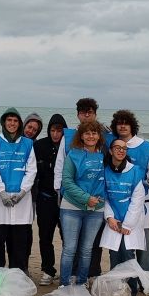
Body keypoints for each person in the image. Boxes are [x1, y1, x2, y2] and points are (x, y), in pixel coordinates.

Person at [55, 98, 106, 277]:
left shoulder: (104, 157)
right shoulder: (73, 154)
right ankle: (64, 284)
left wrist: (99, 201)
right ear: (81, 136)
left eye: (94, 133)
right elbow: (67, 180)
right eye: (87, 134)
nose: (91, 136)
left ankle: (82, 282)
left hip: (96, 210)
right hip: (71, 207)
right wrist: (86, 198)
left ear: (99, 135)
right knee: (69, 249)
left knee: (87, 250)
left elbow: (109, 181)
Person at [0, 108, 37, 272]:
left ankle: (18, 278)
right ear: (4, 122)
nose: (12, 124)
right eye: (9, 120)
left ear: (19, 124)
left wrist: (22, 192)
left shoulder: (27, 144)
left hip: (21, 201)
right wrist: (1, 192)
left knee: (18, 245)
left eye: (15, 121)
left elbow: (31, 170)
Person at [108, 110, 149, 273]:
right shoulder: (112, 145)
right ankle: (122, 277)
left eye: (126, 123)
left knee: (144, 243)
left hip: (141, 203)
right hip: (117, 203)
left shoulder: (145, 146)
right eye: (119, 123)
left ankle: (146, 278)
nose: (122, 126)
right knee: (119, 244)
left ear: (132, 126)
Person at [100, 138, 147, 296]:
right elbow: (103, 197)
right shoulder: (105, 171)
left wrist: (127, 224)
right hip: (113, 221)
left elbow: (138, 198)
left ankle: (131, 291)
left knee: (127, 255)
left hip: (130, 223)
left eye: (124, 148)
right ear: (111, 151)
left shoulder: (135, 171)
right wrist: (110, 217)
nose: (121, 151)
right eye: (117, 148)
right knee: (114, 256)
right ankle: (117, 289)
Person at [33, 113, 66, 285]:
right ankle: (48, 270)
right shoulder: (39, 145)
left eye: (59, 130)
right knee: (45, 237)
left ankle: (69, 270)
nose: (55, 134)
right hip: (45, 199)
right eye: (52, 130)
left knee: (67, 237)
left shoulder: (70, 146)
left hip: (65, 200)